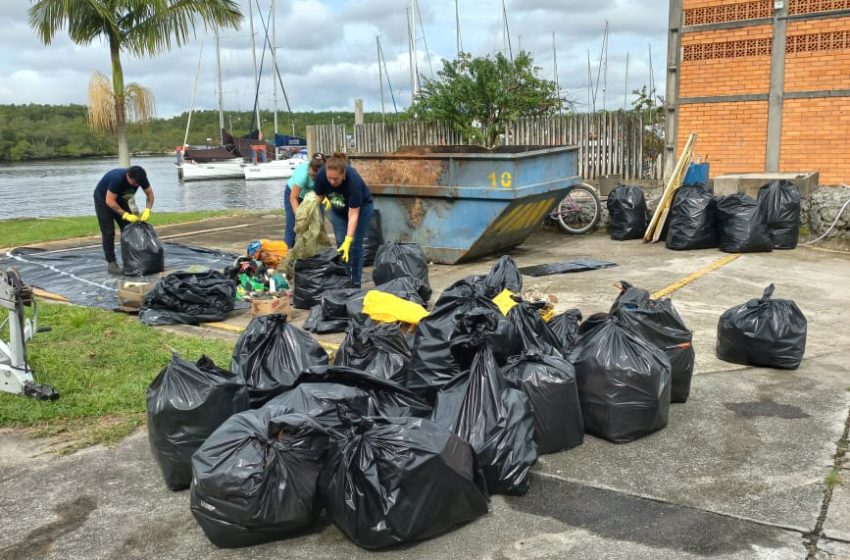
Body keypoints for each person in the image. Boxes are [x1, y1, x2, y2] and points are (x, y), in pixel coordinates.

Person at [313, 153, 374, 288]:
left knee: (354, 244)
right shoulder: (322, 175)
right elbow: (318, 197)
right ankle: (345, 279)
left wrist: (349, 240)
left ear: (343, 174)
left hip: (362, 209)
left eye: (336, 179)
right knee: (340, 243)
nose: (332, 182)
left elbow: (353, 215)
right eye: (330, 178)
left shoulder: (353, 181)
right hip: (338, 208)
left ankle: (356, 282)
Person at [93, 165, 155, 275]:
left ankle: (132, 258)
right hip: (103, 200)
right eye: (135, 183)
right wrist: (126, 214)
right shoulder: (117, 179)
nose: (137, 185)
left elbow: (150, 194)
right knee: (108, 231)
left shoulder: (141, 178)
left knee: (129, 227)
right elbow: (110, 201)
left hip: (121, 199)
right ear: (128, 176)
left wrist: (147, 210)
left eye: (138, 183)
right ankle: (111, 264)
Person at [284, 152, 326, 248]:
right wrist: (300, 216)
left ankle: (315, 251)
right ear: (310, 167)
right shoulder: (303, 174)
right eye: (313, 175)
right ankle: (287, 250)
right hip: (294, 195)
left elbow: (323, 193)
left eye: (317, 176)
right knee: (293, 225)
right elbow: (293, 198)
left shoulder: (325, 175)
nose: (314, 178)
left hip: (313, 197)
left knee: (318, 224)